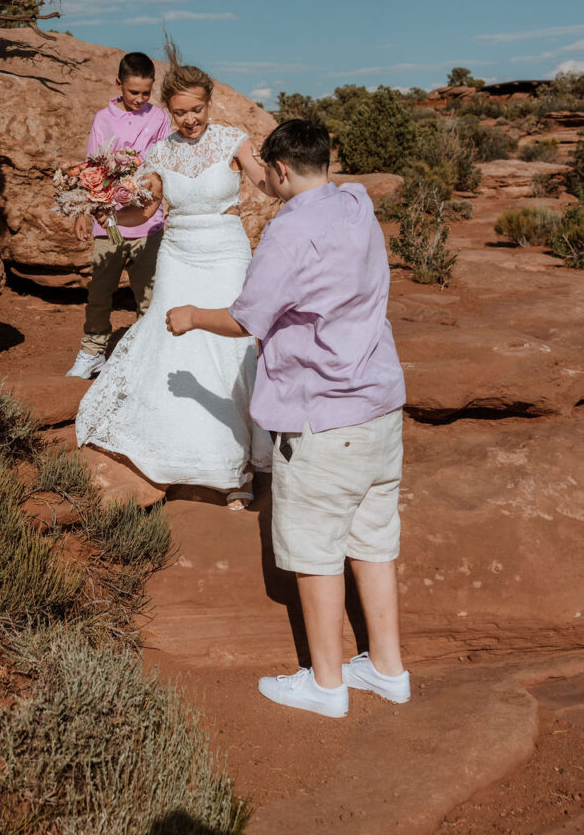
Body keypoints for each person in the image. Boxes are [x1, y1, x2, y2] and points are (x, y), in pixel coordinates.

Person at [165, 118, 409, 716]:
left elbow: (248, 317)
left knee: (314, 551)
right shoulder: (356, 202)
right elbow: (323, 178)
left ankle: (326, 685)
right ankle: (387, 668)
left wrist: (193, 314)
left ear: (276, 170)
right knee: (373, 542)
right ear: (326, 158)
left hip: (320, 413)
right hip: (378, 404)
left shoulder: (287, 232)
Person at [75, 41, 272, 506]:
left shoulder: (232, 140)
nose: (191, 120)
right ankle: (183, 447)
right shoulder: (159, 153)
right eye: (181, 112)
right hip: (178, 255)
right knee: (174, 343)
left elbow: (268, 184)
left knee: (230, 347)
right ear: (169, 110)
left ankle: (236, 465)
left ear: (209, 104)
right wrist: (101, 209)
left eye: (198, 109)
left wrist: (288, 165)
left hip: (226, 252)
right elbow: (143, 211)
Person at [66, 52, 170, 380]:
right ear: (118, 84)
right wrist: (84, 211)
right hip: (108, 221)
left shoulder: (160, 118)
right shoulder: (103, 118)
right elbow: (92, 165)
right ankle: (92, 352)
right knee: (101, 287)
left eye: (145, 92)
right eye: (133, 91)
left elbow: (165, 164)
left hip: (149, 222)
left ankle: (147, 358)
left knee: (149, 294)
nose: (139, 98)